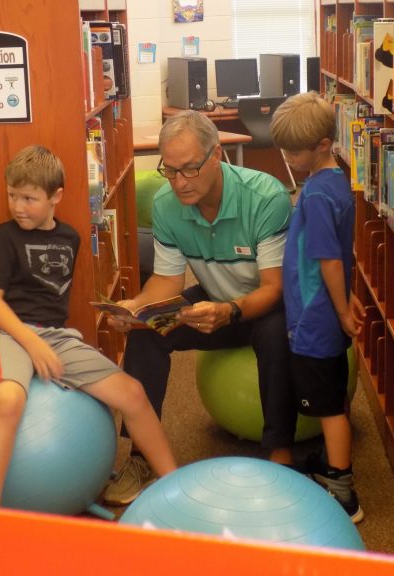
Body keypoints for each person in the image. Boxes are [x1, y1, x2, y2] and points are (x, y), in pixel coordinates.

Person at [102, 110, 297, 506]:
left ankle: (280, 455)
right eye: (170, 171)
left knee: (275, 335)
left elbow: (274, 289)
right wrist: (136, 307)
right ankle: (140, 455)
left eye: (190, 168)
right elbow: (167, 281)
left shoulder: (266, 197)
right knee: (146, 334)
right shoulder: (166, 204)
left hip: (264, 306)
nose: (180, 182)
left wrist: (230, 312)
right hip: (211, 300)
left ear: (217, 154)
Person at [0, 145, 176, 508]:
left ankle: (174, 485)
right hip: (5, 332)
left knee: (133, 394)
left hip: (56, 337)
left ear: (56, 196)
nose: (18, 206)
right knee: (8, 400)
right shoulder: (1, 238)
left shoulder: (70, 238)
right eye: (12, 196)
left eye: (29, 198)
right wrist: (31, 342)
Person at [269, 91, 365, 523]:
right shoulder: (336, 181)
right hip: (325, 312)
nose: (288, 159)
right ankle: (331, 465)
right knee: (334, 394)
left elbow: (328, 260)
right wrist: (345, 300)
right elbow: (341, 254)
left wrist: (342, 310)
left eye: (294, 152)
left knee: (327, 407)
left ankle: (342, 490)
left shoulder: (314, 197)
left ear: (323, 145)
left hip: (314, 318)